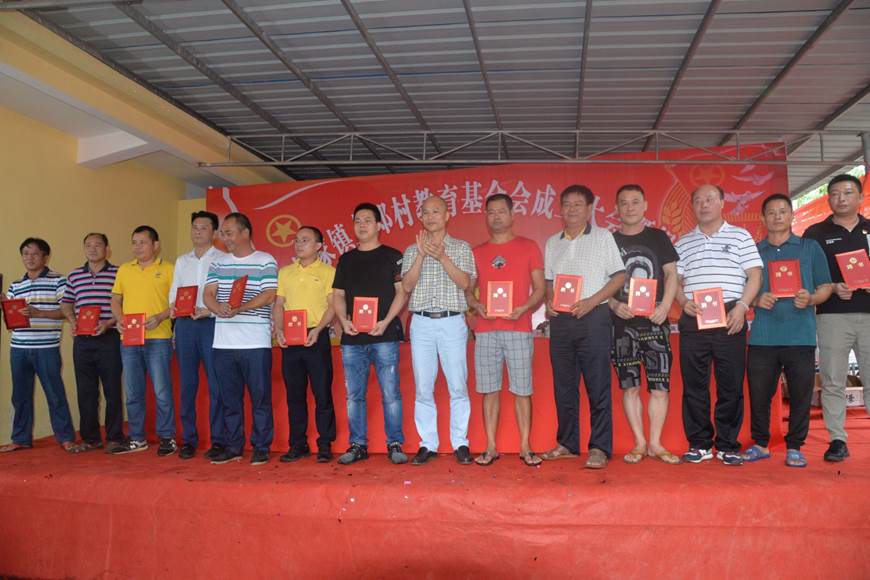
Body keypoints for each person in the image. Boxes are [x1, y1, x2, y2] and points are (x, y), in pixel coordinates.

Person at [675, 184, 762, 466]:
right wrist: (682, 302)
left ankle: (727, 445)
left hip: (731, 316)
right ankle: (699, 444)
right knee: (694, 386)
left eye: (710, 199)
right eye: (698, 200)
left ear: (722, 203)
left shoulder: (740, 236)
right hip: (695, 317)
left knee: (731, 385)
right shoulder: (682, 242)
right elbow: (674, 280)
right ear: (692, 206)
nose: (704, 204)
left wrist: (742, 307)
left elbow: (755, 275)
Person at [541, 185, 625, 469]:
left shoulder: (603, 237)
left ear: (590, 209)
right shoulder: (552, 242)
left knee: (597, 384)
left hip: (594, 317)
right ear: (560, 209)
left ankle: (599, 447)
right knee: (564, 385)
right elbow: (549, 280)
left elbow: (619, 276)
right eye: (566, 204)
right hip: (561, 321)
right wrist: (549, 301)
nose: (572, 209)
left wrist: (593, 301)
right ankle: (567, 443)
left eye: (578, 204)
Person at [745, 193, 832, 468]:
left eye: (783, 211)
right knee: (759, 394)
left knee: (800, 394)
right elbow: (741, 290)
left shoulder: (810, 248)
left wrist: (811, 299)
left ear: (792, 215)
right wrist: (756, 300)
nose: (777, 216)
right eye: (771, 212)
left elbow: (826, 286)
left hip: (800, 335)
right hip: (763, 336)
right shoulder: (753, 251)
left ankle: (795, 447)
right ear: (763, 218)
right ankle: (760, 444)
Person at [465, 193, 545, 467]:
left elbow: (540, 289)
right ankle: (490, 447)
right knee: (489, 390)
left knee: (523, 390)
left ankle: (526, 447)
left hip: (519, 328)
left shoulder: (529, 247)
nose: (496, 216)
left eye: (501, 211)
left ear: (512, 215)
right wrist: (476, 305)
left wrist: (524, 308)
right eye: (491, 212)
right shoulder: (477, 252)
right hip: (486, 330)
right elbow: (468, 290)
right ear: (486, 217)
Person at [608, 184, 680, 465]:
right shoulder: (609, 241)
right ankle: (639, 442)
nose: (629, 207)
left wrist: (665, 307)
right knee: (630, 387)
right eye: (624, 202)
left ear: (645, 205)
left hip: (655, 321)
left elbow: (671, 275)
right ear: (617, 208)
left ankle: (656, 443)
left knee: (660, 386)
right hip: (621, 324)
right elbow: (601, 281)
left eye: (635, 202)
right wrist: (614, 304)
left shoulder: (658, 237)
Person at [402, 196, 477, 465]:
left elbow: (466, 283)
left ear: (447, 216)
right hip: (421, 322)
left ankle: (460, 443)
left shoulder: (461, 247)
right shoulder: (412, 250)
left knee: (458, 384)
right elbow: (406, 286)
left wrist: (442, 257)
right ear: (420, 218)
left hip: (451, 321)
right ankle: (428, 443)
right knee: (423, 386)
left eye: (436, 211)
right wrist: (421, 256)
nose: (430, 216)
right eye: (425, 212)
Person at [332, 203, 408, 465]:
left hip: (384, 336)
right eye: (357, 221)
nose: (361, 225)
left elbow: (401, 293)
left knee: (391, 393)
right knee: (354, 396)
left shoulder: (392, 256)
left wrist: (386, 322)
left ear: (378, 225)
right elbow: (338, 295)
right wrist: (343, 321)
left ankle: (395, 443)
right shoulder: (346, 260)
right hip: (353, 338)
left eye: (367, 220)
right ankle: (357, 445)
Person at [803, 173, 870, 462]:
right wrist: (831, 287)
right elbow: (806, 274)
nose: (841, 198)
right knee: (832, 380)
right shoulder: (815, 233)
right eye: (834, 194)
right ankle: (837, 440)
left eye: (847, 192)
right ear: (828, 198)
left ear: (860, 197)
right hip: (832, 316)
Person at [204, 212, 277, 466]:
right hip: (223, 344)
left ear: (245, 232)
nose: (225, 238)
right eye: (223, 233)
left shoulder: (265, 260)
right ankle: (234, 446)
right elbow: (208, 294)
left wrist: (239, 308)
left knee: (260, 398)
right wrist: (218, 307)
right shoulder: (218, 263)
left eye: (229, 232)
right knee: (229, 400)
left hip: (255, 343)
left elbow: (269, 295)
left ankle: (261, 446)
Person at [0, 238, 79, 454]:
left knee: (55, 394)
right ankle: (20, 439)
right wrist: (7, 309)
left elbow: (66, 312)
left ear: (45, 256)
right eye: (25, 254)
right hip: (18, 348)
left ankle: (66, 438)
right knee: (20, 396)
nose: (30, 258)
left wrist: (38, 313)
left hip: (46, 348)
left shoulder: (59, 281)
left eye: (35, 254)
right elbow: (11, 320)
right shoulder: (16, 285)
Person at [273, 225, 337, 464]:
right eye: (297, 240)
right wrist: (279, 330)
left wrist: (319, 330)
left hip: (315, 335)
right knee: (294, 395)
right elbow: (279, 304)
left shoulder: (328, 272)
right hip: (291, 337)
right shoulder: (285, 272)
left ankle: (325, 444)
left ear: (318, 246)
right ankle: (297, 444)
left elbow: (333, 305)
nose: (299, 244)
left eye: (306, 240)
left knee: (322, 393)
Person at [110, 226, 176, 455]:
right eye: (134, 242)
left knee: (162, 392)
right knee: (133, 392)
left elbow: (177, 304)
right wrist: (120, 320)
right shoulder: (124, 269)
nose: (137, 247)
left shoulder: (169, 269)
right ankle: (137, 438)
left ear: (155, 245)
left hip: (159, 338)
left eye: (143, 242)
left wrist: (160, 317)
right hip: (129, 339)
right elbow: (115, 299)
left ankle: (167, 437)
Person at [169, 211, 227, 460]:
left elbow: (226, 295)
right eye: (194, 227)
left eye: (203, 227)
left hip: (212, 324)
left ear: (214, 232)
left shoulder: (224, 259)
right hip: (185, 326)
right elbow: (174, 293)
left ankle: (219, 440)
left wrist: (210, 310)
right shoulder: (182, 261)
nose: (198, 231)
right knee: (187, 384)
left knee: (216, 384)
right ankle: (188, 440)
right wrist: (176, 307)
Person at [60, 233, 124, 453]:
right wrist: (73, 322)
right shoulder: (75, 275)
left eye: (98, 245)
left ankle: (115, 437)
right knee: (85, 391)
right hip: (82, 341)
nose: (93, 249)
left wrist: (108, 323)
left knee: (112, 389)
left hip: (109, 337)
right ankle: (90, 438)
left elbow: (125, 304)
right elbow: (66, 303)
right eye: (88, 245)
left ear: (107, 249)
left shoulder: (119, 273)